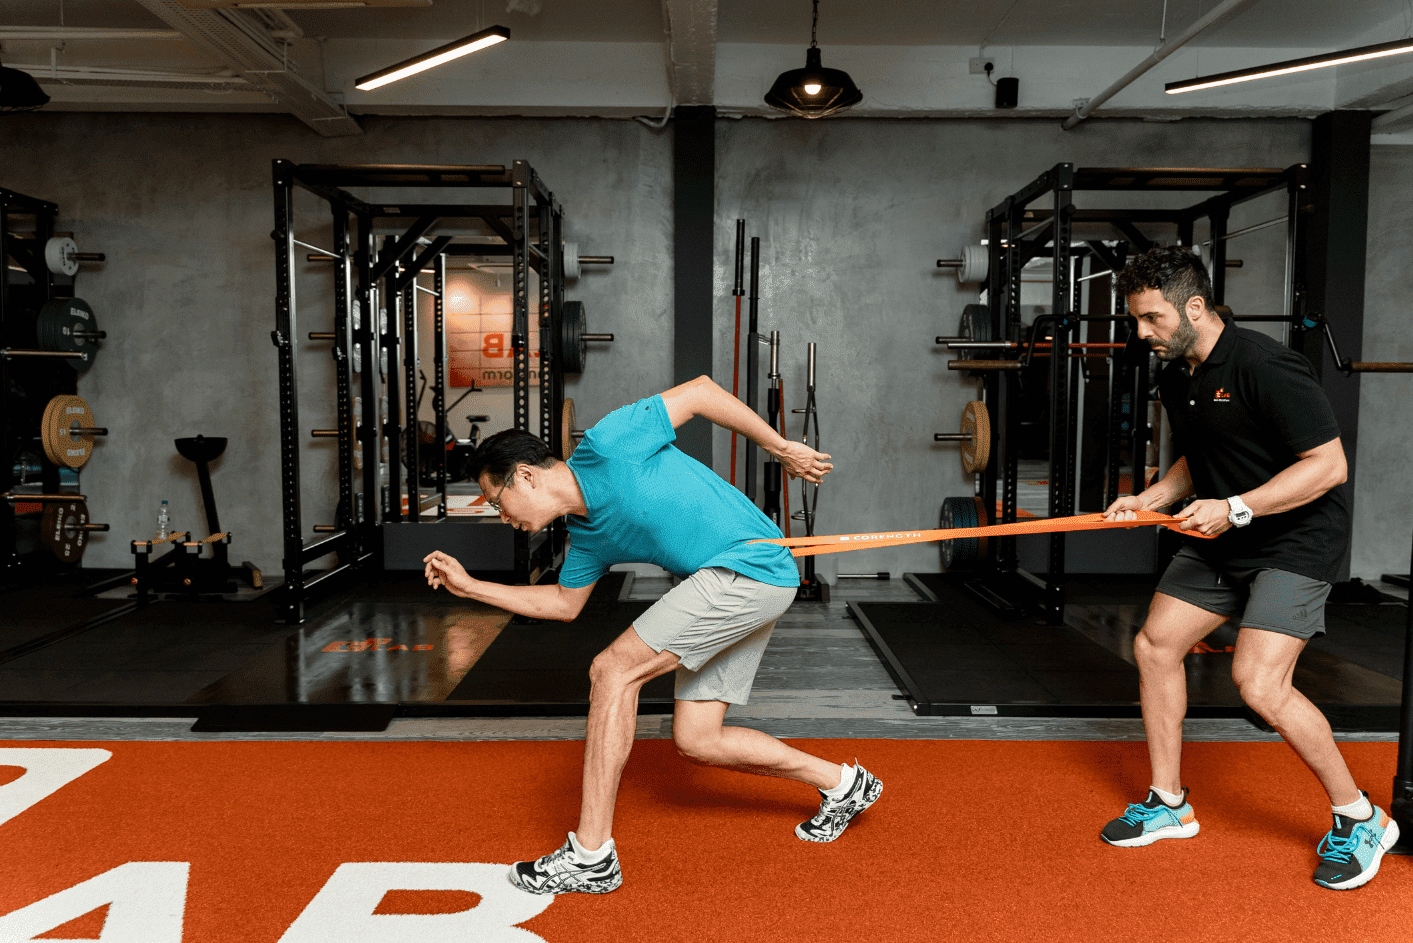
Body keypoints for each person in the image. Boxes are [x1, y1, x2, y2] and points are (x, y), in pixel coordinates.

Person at [423, 375, 882, 895]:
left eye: (496, 500)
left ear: (525, 477)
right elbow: (564, 604)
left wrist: (782, 449)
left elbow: (703, 393)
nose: (502, 517)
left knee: (612, 671)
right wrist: (472, 588)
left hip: (747, 569)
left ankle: (590, 856)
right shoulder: (588, 534)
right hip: (752, 580)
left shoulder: (609, 443)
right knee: (698, 739)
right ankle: (843, 784)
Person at [1101, 246, 1398, 890]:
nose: (1142, 333)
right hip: (1222, 533)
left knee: (1259, 685)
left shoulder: (1268, 365)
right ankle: (1169, 802)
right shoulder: (1177, 373)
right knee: (1155, 647)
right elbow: (1203, 451)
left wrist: (1235, 508)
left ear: (1195, 307)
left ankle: (1360, 816)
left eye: (1152, 319)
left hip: (1293, 538)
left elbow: (1327, 466)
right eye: (1137, 320)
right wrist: (1153, 498)